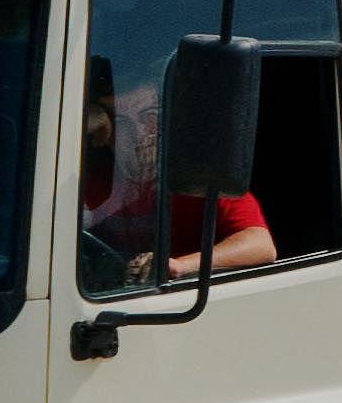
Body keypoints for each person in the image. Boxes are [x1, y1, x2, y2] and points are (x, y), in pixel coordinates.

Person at [79, 76, 279, 286]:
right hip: (108, 295)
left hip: (177, 303)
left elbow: (261, 245)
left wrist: (177, 266)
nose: (139, 134)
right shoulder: (96, 180)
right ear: (106, 133)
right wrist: (81, 124)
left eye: (149, 117)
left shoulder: (198, 179)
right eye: (121, 122)